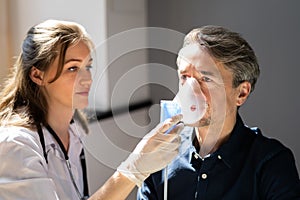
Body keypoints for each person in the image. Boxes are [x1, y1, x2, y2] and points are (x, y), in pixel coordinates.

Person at [0, 19, 184, 200]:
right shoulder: (16, 145)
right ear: (37, 75)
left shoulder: (73, 133)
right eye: (72, 68)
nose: (87, 79)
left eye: (88, 66)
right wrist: (132, 170)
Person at [138, 25, 300, 199]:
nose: (190, 92)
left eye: (206, 79)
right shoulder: (161, 156)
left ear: (241, 93)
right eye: (185, 77)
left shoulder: (270, 163)